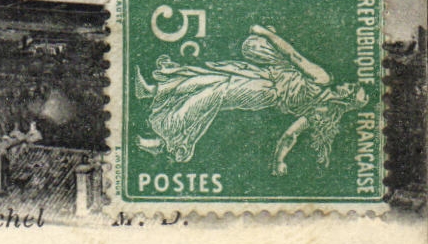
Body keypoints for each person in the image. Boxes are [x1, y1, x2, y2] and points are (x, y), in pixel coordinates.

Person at [135, 24, 368, 172]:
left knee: (212, 96)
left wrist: (265, 33)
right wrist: (279, 160)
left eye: (351, 88)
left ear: (345, 97)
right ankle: (153, 90)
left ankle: (164, 142)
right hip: (264, 75)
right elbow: (290, 135)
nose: (348, 84)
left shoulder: (323, 80)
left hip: (264, 90)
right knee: (210, 77)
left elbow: (293, 55)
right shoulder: (323, 112)